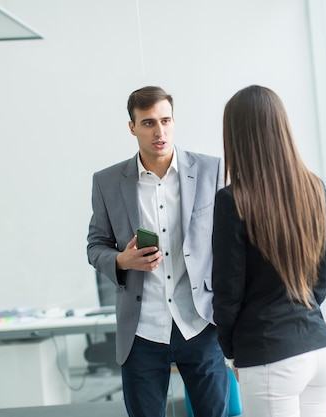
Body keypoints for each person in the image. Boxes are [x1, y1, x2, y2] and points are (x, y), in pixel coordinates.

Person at [87, 86, 229, 417]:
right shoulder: (107, 182)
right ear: (132, 127)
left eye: (165, 120)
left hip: (200, 322)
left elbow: (230, 243)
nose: (159, 131)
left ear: (174, 121)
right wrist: (121, 260)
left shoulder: (212, 171)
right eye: (148, 123)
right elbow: (96, 246)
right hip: (142, 330)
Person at [212, 85, 326, 417]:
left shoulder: (232, 200)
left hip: (269, 352)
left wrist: (230, 351)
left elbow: (227, 292)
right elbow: (321, 281)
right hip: (319, 348)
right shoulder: (314, 188)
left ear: (236, 135)